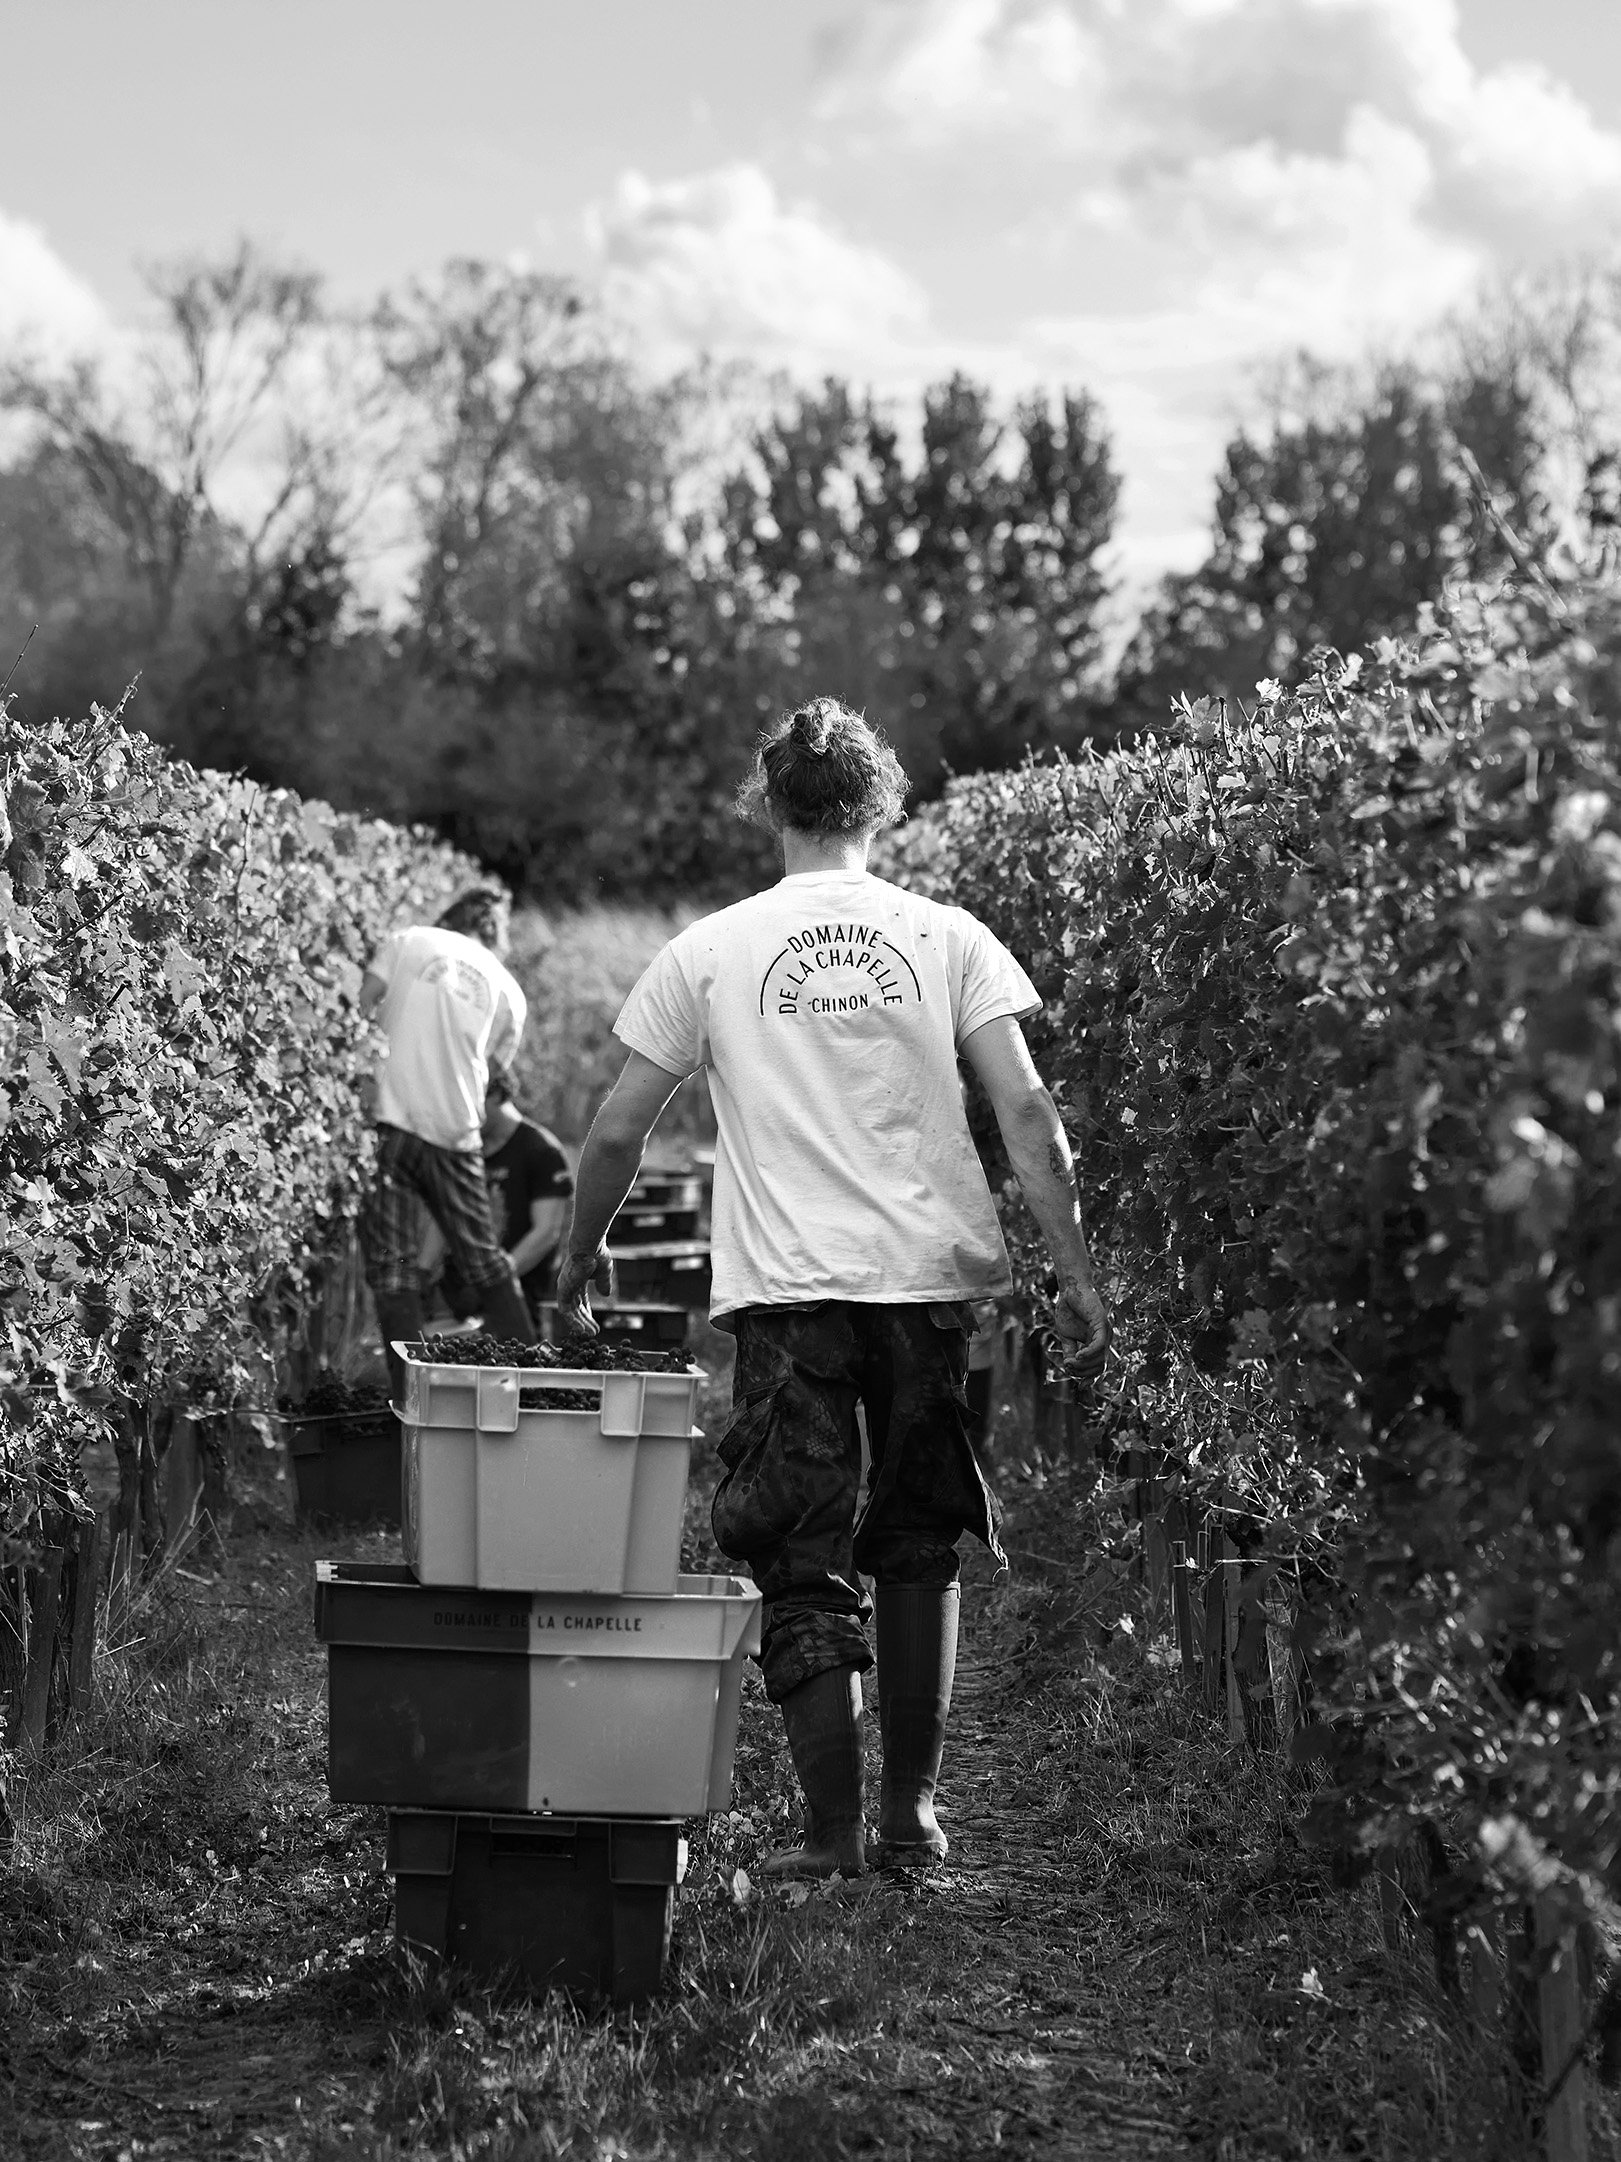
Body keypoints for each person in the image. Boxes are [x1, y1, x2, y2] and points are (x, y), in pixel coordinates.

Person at [555, 696, 1109, 1881]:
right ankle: (911, 1815)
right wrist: (1074, 1271)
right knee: (918, 1544)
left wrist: (574, 1260)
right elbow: (1027, 1115)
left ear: (770, 805)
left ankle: (831, 1832)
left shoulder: (710, 949)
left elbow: (614, 1133)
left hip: (790, 1299)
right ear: (880, 800)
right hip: (928, 1289)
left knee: (799, 1550)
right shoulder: (949, 936)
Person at [357, 885, 538, 1400]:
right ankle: (533, 1388)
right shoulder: (507, 988)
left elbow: (362, 1008)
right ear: (494, 934)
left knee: (392, 1272)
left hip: (387, 1119)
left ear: (449, 919)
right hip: (454, 1131)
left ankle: (410, 1404)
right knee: (483, 1258)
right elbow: (494, 1076)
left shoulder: (408, 940)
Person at [432, 1072, 575, 1320]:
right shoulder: (467, 1149)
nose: (463, 1111)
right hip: (462, 1297)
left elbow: (545, 1233)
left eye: (471, 1099)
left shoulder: (541, 1150)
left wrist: (494, 1281)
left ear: (496, 1094)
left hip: (520, 1294)